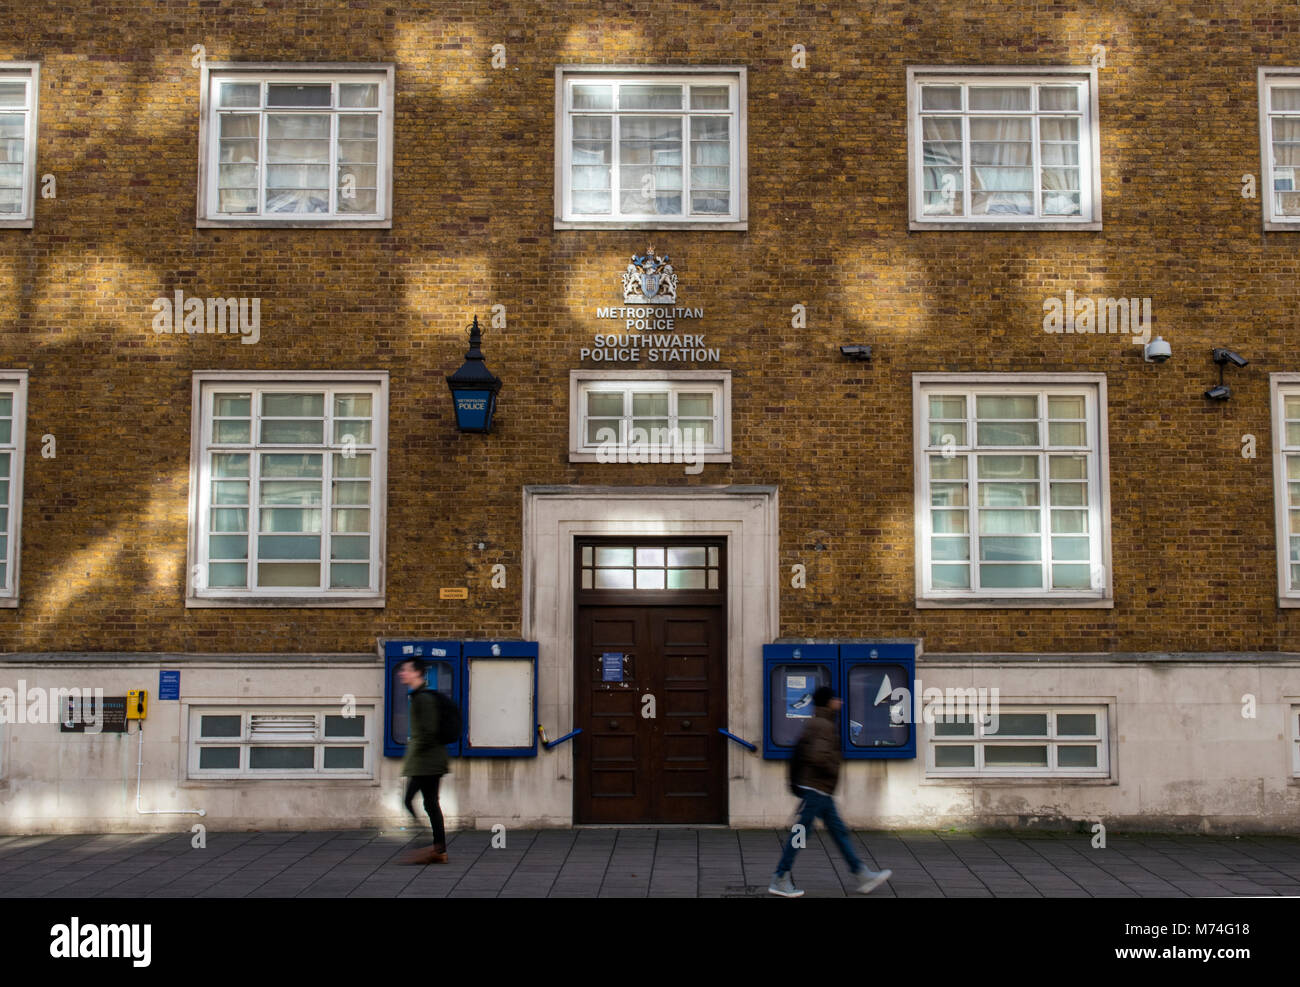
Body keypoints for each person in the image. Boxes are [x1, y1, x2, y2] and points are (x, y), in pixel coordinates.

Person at [769, 685, 892, 897]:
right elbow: (817, 756)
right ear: (828, 702)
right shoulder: (822, 725)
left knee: (839, 832)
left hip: (820, 790)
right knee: (799, 835)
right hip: (816, 789)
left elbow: (806, 752)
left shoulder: (819, 723)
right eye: (836, 698)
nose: (840, 702)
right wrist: (832, 768)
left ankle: (861, 874)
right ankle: (780, 877)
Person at [397, 658, 450, 864]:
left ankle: (428, 844)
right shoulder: (419, 697)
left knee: (410, 800)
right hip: (429, 761)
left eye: (406, 670)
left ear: (417, 673)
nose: (403, 673)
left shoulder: (423, 699)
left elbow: (428, 732)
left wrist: (414, 756)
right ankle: (439, 849)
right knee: (430, 804)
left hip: (427, 763)